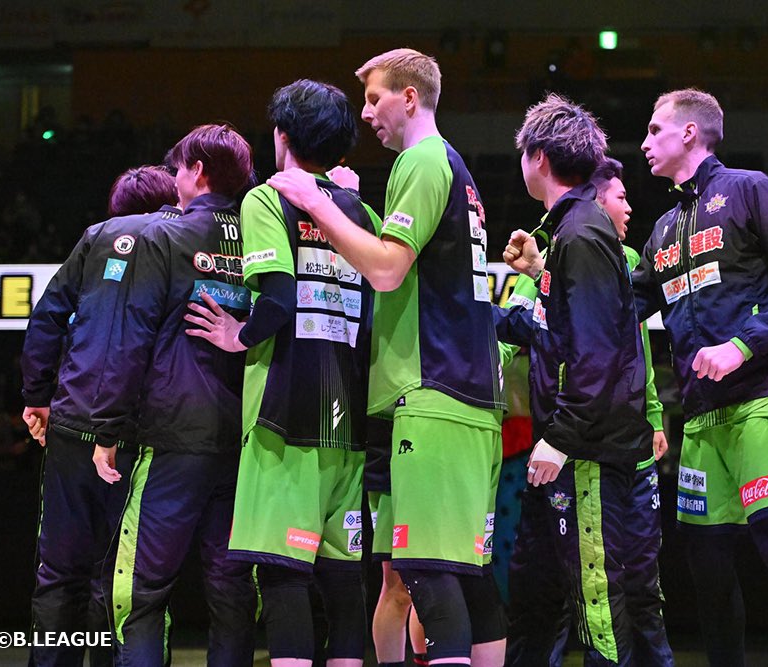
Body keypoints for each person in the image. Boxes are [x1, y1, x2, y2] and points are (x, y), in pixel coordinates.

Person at [268, 48, 507, 667]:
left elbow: (386, 269)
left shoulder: (421, 161)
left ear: (409, 97)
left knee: (431, 573)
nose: (367, 112)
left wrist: (317, 203)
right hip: (455, 394)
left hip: (433, 392)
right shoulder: (451, 167)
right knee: (457, 576)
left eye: (374, 98)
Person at [629, 88, 768, 666]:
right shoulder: (663, 229)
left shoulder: (750, 189)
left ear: (689, 133)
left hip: (766, 396)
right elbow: (622, 306)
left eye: (654, 130)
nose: (644, 143)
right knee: (707, 564)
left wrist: (741, 346)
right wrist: (547, 270)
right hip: (701, 415)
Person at [184, 79, 380, 667]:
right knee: (343, 582)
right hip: (349, 425)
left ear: (283, 136)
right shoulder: (361, 211)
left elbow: (277, 299)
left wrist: (235, 335)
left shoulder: (266, 200)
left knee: (282, 574)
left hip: (283, 422)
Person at [89, 124, 257, 667]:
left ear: (197, 172)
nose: (175, 176)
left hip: (172, 439)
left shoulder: (163, 238)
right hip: (245, 441)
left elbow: (129, 340)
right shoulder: (263, 234)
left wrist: (108, 428)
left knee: (139, 592)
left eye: (179, 167)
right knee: (233, 592)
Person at [496, 95, 653, 666]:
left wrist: (559, 438)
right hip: (571, 447)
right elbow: (561, 329)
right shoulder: (570, 232)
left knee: (597, 605)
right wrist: (536, 275)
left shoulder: (583, 234)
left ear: (538, 157)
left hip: (585, 451)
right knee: (543, 599)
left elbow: (597, 353)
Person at [20, 166, 178, 667]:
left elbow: (47, 316)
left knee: (59, 572)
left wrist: (37, 396)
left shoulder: (94, 238)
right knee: (121, 578)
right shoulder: (181, 241)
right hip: (139, 435)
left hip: (72, 425)